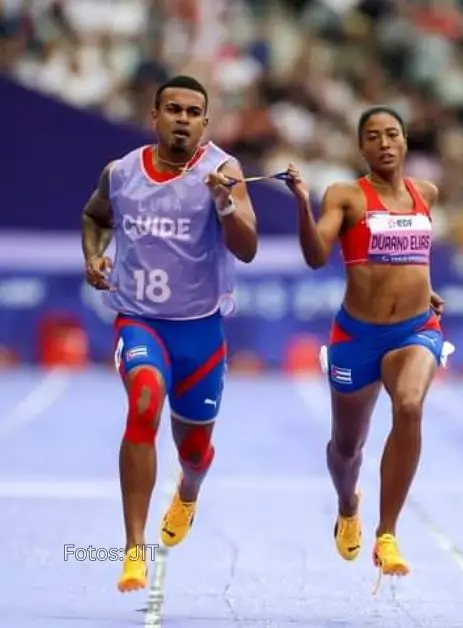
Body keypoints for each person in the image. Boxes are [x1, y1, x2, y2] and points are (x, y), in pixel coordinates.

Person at [81, 75, 259, 593]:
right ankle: (134, 549)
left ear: (206, 123)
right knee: (143, 403)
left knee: (194, 451)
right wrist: (93, 254)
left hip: (200, 333)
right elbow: (94, 217)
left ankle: (188, 492)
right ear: (155, 116)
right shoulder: (120, 173)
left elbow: (246, 248)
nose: (182, 118)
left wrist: (225, 203)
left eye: (193, 112)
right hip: (138, 320)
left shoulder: (224, 171)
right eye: (173, 109)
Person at [284, 105, 447, 580]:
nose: (384, 143)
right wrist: (300, 200)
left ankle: (388, 534)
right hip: (357, 336)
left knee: (411, 406)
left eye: (392, 134)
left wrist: (425, 290)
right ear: (362, 147)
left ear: (405, 141)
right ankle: (346, 504)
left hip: (414, 331)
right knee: (347, 448)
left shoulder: (426, 193)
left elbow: (415, 257)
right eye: (372, 136)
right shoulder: (345, 195)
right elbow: (316, 256)